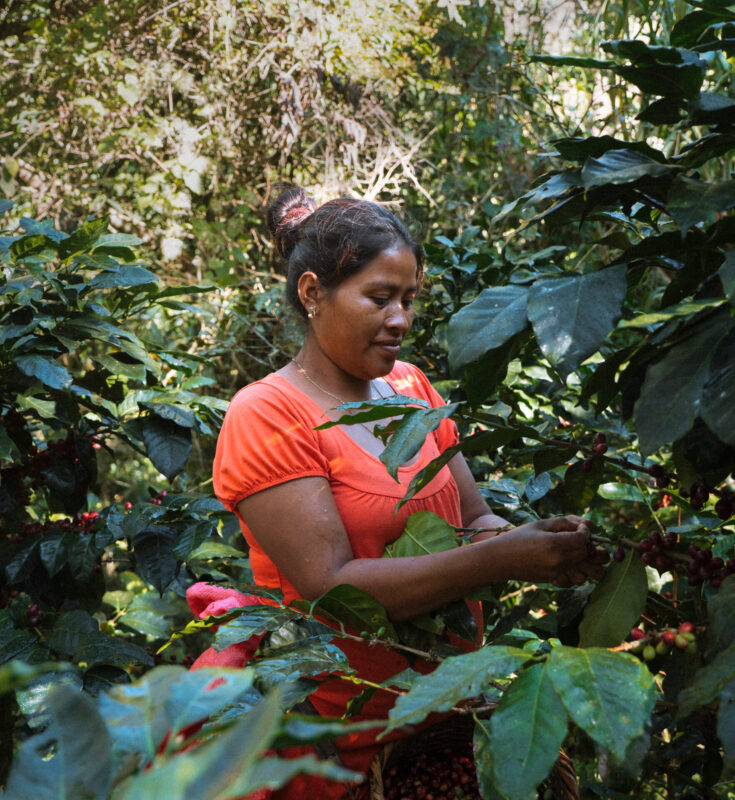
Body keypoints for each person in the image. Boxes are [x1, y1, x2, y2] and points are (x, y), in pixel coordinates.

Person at [206, 186, 607, 799]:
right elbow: (331, 586)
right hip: (346, 731)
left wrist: (546, 549)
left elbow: (473, 516)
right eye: (380, 298)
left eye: (409, 299)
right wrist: (498, 560)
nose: (401, 319)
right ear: (313, 294)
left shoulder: (410, 387)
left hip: (448, 712)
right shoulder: (267, 413)